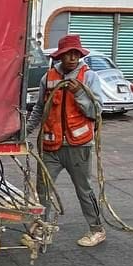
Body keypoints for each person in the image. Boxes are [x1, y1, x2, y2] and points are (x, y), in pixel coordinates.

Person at [28, 35, 107, 247]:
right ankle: (42, 228)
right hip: (50, 146)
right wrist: (24, 131)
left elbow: (96, 111)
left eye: (76, 54)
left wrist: (79, 93)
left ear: (80, 55)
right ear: (60, 56)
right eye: (68, 54)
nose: (72, 57)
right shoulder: (48, 78)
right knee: (43, 189)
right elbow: (39, 109)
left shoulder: (88, 78)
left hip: (78, 145)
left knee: (84, 189)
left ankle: (97, 229)